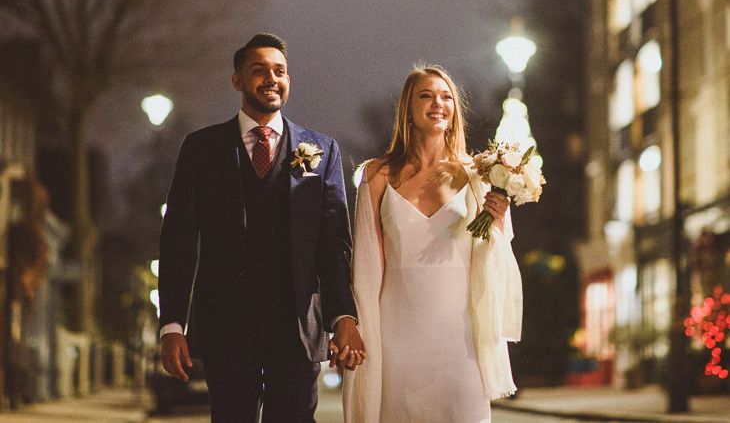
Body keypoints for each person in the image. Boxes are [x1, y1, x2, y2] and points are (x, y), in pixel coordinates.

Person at [158, 33, 365, 423]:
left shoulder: (322, 150)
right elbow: (178, 242)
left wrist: (344, 319)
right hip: (226, 325)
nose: (271, 79)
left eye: (279, 71)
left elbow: (334, 245)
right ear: (237, 80)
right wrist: (172, 324)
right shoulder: (201, 149)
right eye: (259, 71)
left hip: (298, 327)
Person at [343, 65, 522, 423]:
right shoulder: (377, 176)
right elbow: (364, 264)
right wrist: (362, 328)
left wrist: (498, 220)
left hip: (461, 335)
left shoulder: (478, 175)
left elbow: (497, 256)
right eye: (425, 96)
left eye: (445, 97)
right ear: (407, 109)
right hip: (396, 330)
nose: (437, 103)